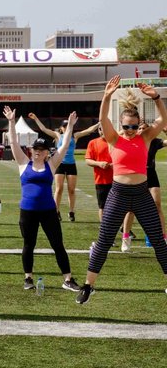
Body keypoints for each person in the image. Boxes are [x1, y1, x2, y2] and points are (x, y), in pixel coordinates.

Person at [79, 77, 167, 305]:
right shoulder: (113, 138)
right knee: (104, 240)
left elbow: (163, 119)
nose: (129, 130)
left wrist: (156, 97)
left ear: (139, 124)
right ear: (120, 124)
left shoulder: (146, 137)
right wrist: (107, 96)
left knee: (158, 240)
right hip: (117, 193)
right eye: (126, 126)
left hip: (141, 194)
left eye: (133, 126)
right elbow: (102, 118)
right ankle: (88, 286)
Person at [4, 106, 80, 292]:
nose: (38, 151)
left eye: (41, 149)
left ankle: (67, 279)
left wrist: (69, 126)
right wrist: (11, 122)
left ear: (47, 152)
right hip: (27, 211)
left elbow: (63, 145)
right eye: (35, 149)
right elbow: (13, 142)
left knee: (58, 245)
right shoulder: (23, 163)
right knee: (28, 245)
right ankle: (28, 278)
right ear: (31, 150)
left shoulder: (52, 164)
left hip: (48, 211)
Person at [28, 112, 100, 221]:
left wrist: (100, 122)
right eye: (65, 126)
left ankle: (71, 211)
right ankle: (56, 211)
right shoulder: (58, 136)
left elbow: (89, 130)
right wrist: (35, 118)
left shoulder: (75, 136)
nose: (67, 128)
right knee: (59, 189)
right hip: (60, 164)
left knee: (71, 190)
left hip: (71, 164)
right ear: (61, 128)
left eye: (68, 126)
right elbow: (44, 129)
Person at [142, 122, 164, 247]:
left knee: (157, 204)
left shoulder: (154, 141)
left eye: (145, 129)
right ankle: (126, 236)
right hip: (137, 175)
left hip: (151, 174)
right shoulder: (134, 140)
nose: (142, 131)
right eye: (140, 128)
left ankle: (162, 236)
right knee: (131, 209)